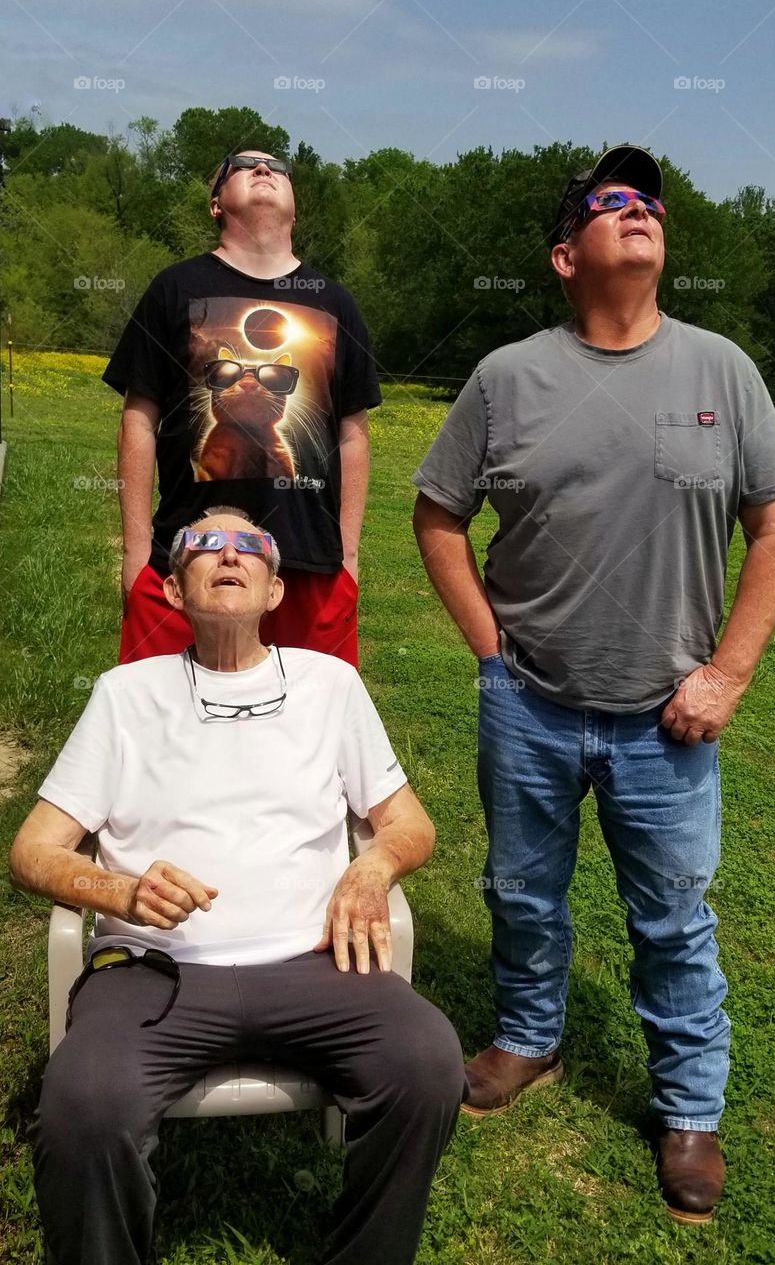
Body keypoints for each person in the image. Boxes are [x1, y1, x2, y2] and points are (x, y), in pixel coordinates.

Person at [412, 144, 775, 1223]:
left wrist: (727, 672)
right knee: (521, 890)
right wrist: (490, 650)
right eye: (612, 202)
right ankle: (528, 1037)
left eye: (651, 203)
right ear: (564, 254)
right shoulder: (507, 377)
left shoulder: (721, 368)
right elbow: (438, 514)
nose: (641, 211)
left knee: (674, 920)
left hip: (667, 719)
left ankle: (688, 1109)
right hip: (529, 699)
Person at [10, 508, 465, 1265]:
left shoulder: (331, 686)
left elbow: (409, 823)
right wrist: (116, 892)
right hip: (155, 973)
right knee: (82, 1107)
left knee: (426, 1063)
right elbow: (31, 851)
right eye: (204, 546)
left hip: (318, 963)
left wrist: (374, 865)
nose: (229, 554)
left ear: (277, 587)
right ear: (173, 589)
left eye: (249, 546)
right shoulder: (125, 696)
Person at [106, 150, 378, 668]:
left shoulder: (334, 302)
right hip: (187, 558)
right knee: (166, 730)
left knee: (307, 735)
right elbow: (138, 420)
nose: (263, 169)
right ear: (215, 204)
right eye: (240, 165)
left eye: (277, 168)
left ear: (295, 208)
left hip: (310, 567)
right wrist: (137, 553)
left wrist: (348, 556)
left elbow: (353, 433)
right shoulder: (174, 288)